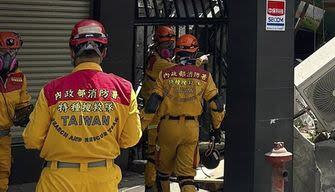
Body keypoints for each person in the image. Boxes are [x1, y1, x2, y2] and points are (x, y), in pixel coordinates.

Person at [23, 19, 142, 192]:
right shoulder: (123, 89)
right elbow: (131, 138)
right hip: (103, 180)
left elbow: (32, 139)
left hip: (58, 180)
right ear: (104, 52)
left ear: (72, 52)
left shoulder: (51, 90)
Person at [144, 34, 224, 192]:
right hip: (191, 129)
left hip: (167, 128)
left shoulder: (165, 74)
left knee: (162, 174)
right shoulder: (204, 76)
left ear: (176, 51)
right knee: (186, 178)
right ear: (194, 52)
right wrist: (216, 129)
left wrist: (140, 126)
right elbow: (216, 104)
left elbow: (153, 104)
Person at [139, 26, 176, 191]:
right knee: (154, 155)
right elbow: (177, 71)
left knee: (159, 154)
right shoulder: (159, 62)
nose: (169, 49)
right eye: (166, 46)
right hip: (153, 112)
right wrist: (195, 62)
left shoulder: (156, 58)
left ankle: (155, 185)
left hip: (159, 111)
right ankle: (151, 186)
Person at [0, 32, 31, 192]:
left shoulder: (19, 78)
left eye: (12, 52)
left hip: (3, 138)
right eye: (3, 52)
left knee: (3, 173)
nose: (7, 56)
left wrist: (27, 114)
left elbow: (21, 106)